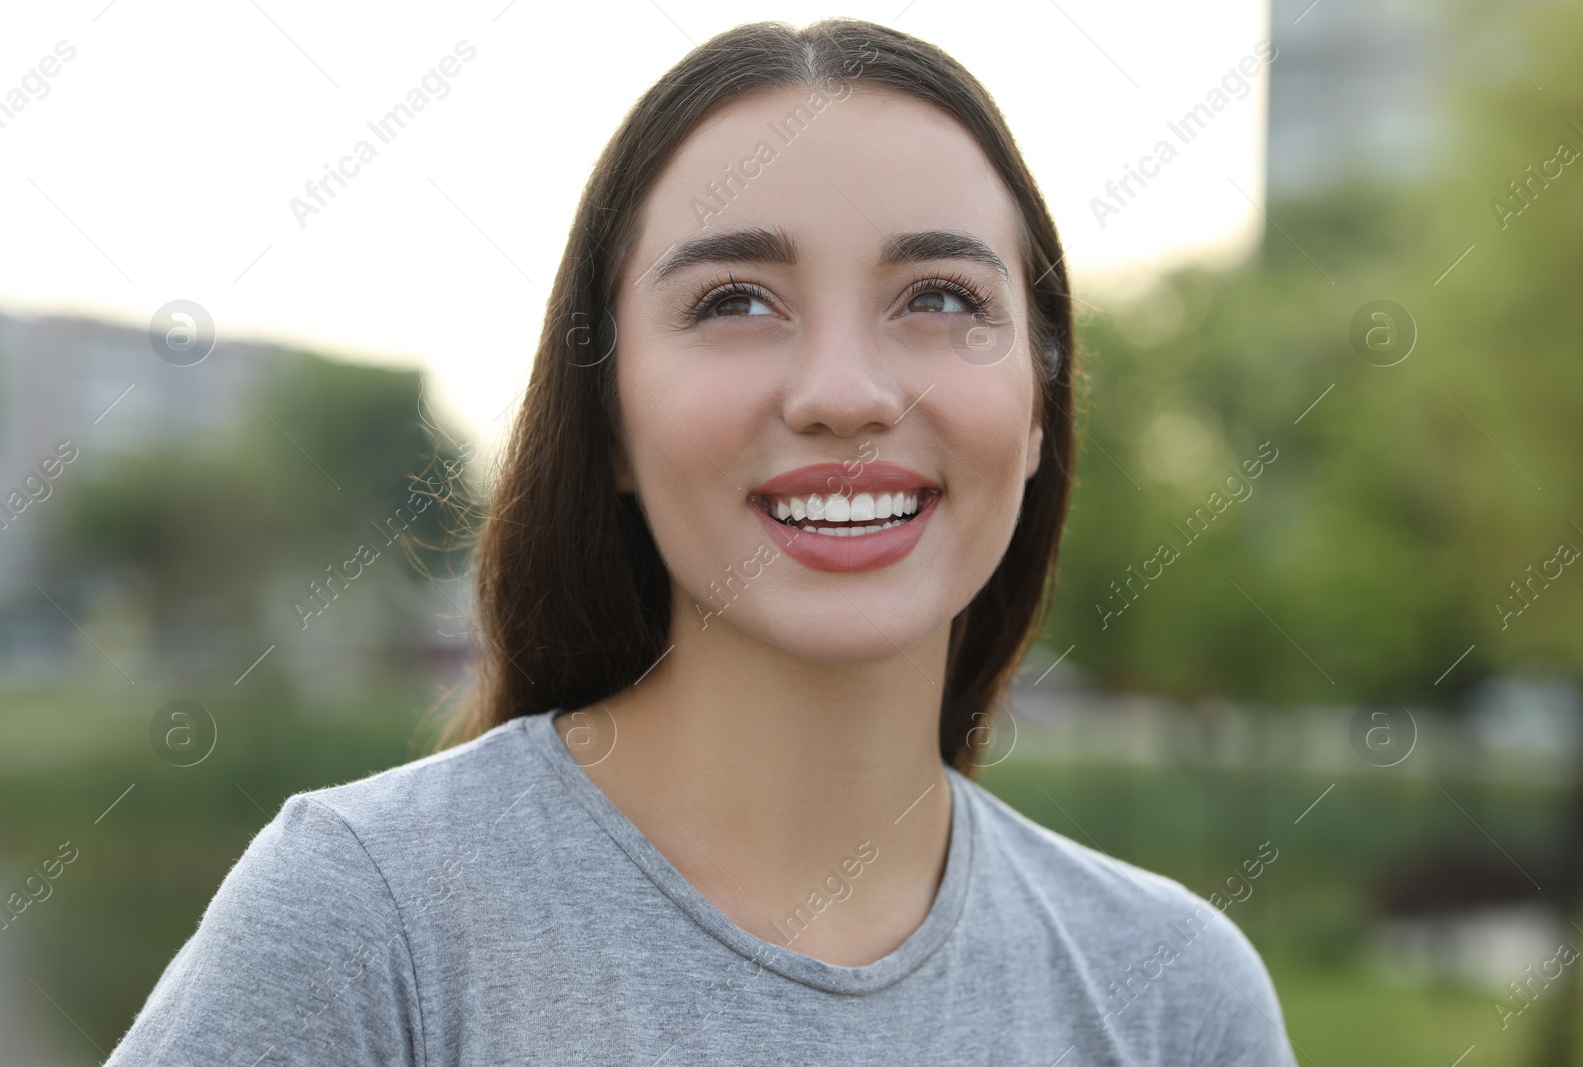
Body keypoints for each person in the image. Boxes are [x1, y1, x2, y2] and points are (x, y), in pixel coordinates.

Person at [105, 18, 1297, 1065]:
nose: (843, 391)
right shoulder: (370, 920)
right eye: (734, 300)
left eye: (939, 296)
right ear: (609, 416)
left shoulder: (1175, 995)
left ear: (1040, 406)